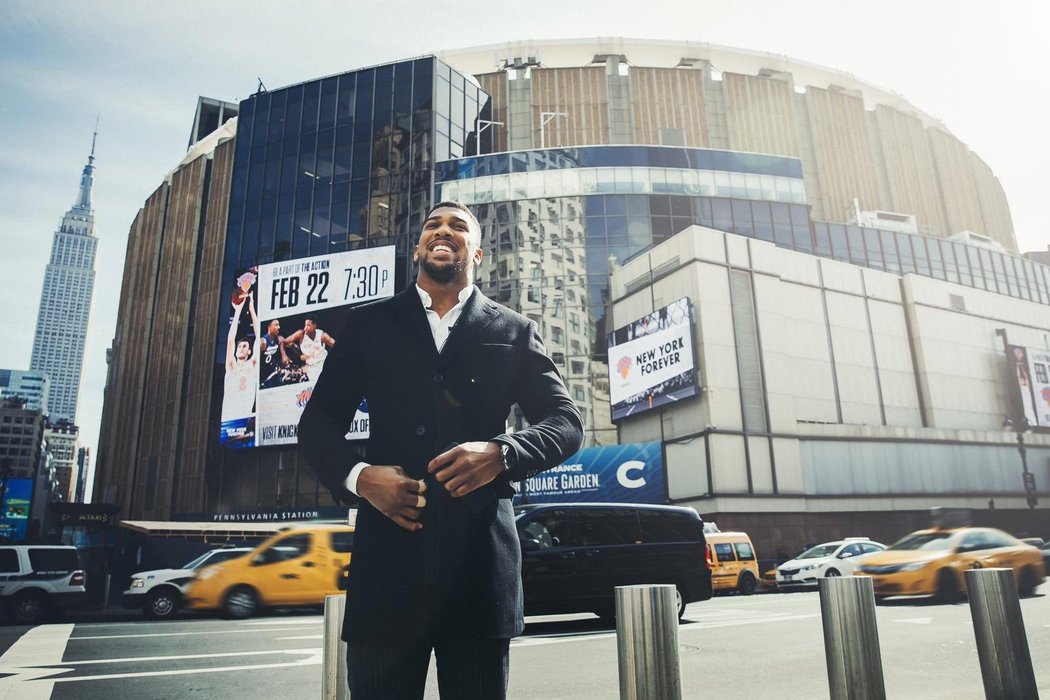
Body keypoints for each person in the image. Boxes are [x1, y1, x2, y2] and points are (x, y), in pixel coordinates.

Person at [298, 201, 583, 699]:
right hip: (387, 567)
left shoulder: (513, 330)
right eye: (432, 224)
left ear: (478, 251)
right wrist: (362, 477)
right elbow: (318, 423)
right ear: (418, 249)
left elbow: (566, 423)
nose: (442, 230)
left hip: (479, 570)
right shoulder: (369, 323)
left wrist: (501, 453)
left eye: (458, 226)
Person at [221, 292, 260, 422]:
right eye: (239, 346)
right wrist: (237, 311)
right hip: (227, 419)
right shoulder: (231, 366)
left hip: (245, 418)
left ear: (249, 351)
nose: (240, 348)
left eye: (244, 346)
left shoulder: (252, 365)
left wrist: (251, 309)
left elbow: (259, 336)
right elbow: (231, 340)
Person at [283, 317, 334, 381]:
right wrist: (299, 354)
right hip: (310, 367)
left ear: (314, 326)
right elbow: (284, 342)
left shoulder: (322, 336)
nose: (305, 328)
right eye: (305, 325)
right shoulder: (301, 334)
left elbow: (338, 346)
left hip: (322, 364)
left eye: (308, 325)